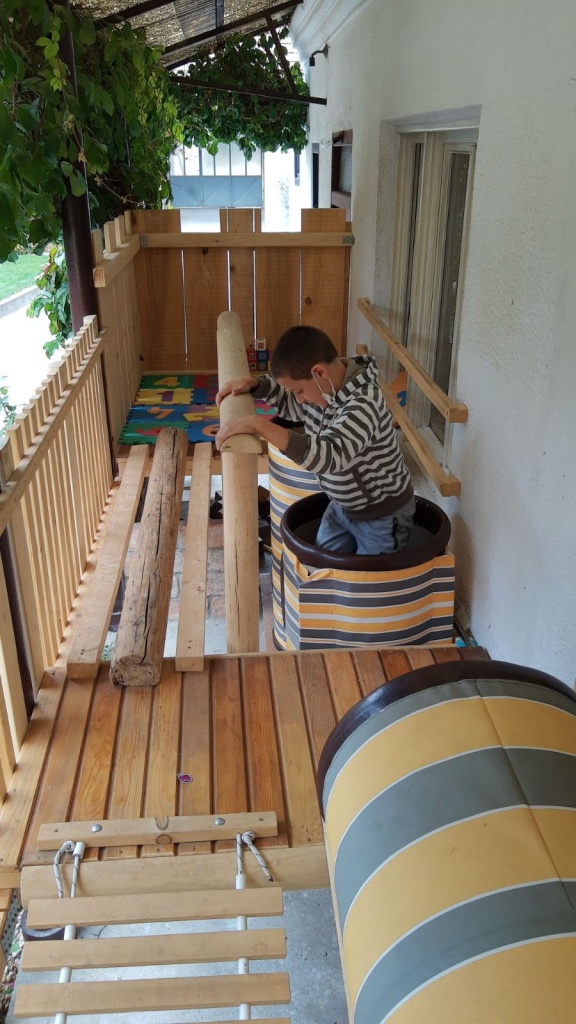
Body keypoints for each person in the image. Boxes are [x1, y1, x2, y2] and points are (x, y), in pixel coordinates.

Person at [215, 325, 415, 555]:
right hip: (343, 506)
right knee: (321, 559)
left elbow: (329, 456)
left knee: (369, 575)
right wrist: (257, 386)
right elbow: (290, 402)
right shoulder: (323, 390)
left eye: (299, 391)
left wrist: (259, 425)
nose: (299, 400)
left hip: (383, 516)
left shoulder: (364, 403)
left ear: (319, 373)